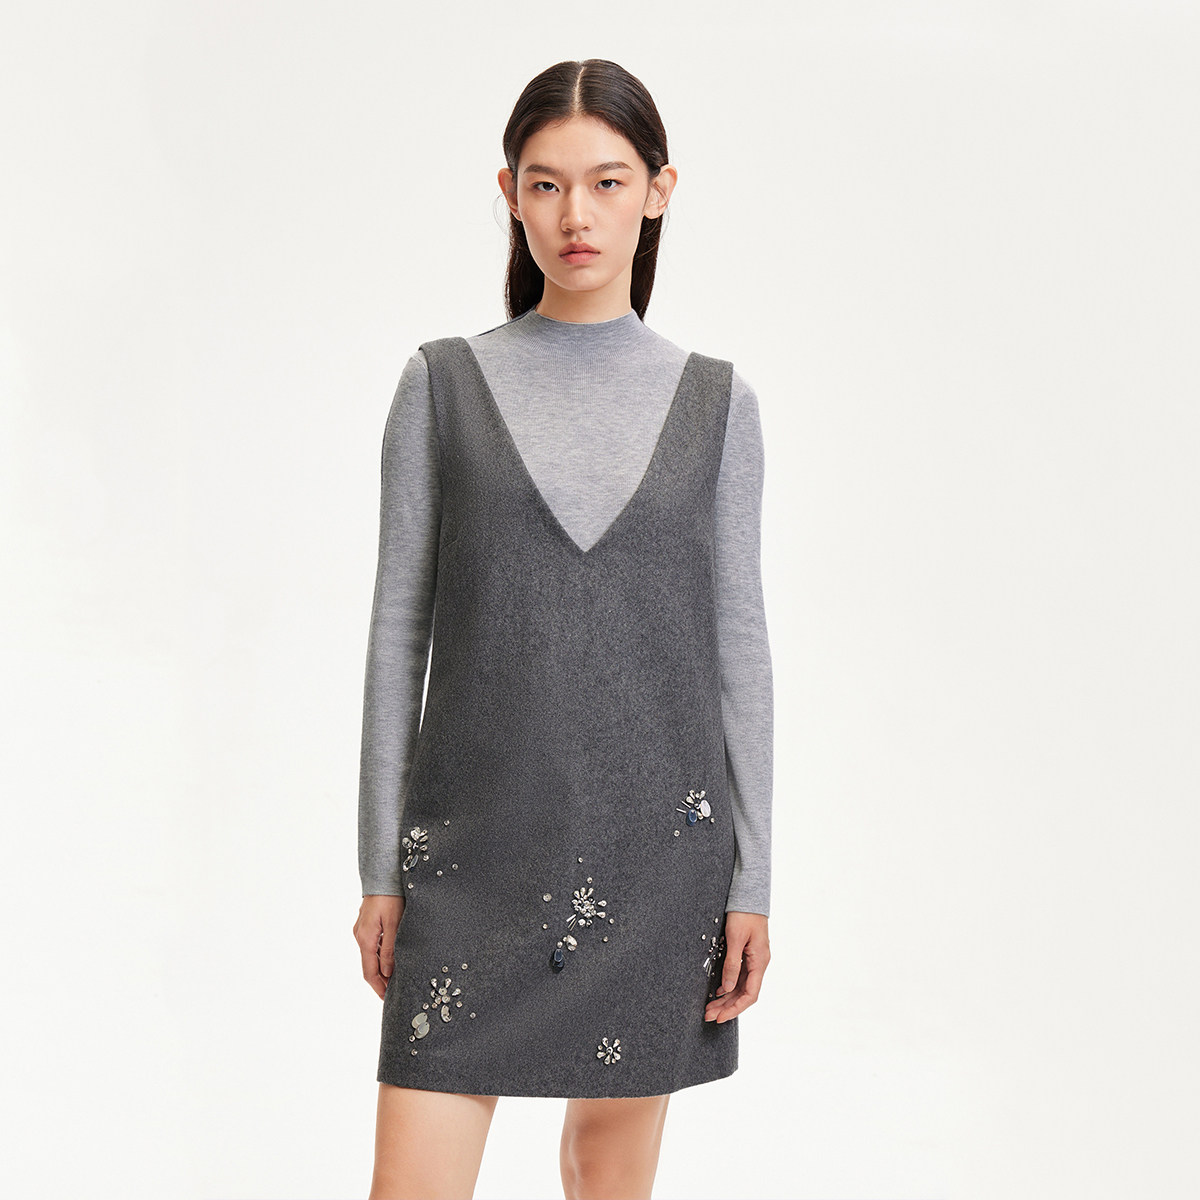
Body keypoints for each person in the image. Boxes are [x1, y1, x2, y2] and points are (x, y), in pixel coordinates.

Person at [352, 58, 774, 1200]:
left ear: (659, 190)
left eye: (606, 181)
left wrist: (752, 882)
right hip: (470, 859)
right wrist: (380, 867)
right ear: (510, 194)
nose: (575, 214)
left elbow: (739, 653)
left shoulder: (720, 405)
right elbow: (397, 633)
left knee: (607, 1179)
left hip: (657, 863)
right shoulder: (439, 387)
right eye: (545, 184)